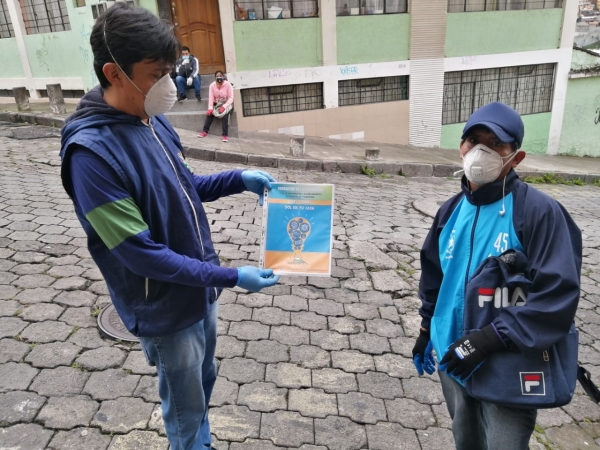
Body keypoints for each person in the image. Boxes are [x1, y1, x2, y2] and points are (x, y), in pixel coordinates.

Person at [59, 5, 280, 450]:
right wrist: (232, 276)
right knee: (183, 404)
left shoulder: (151, 118)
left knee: (205, 378)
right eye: (156, 73)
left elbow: (184, 187)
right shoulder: (91, 156)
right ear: (114, 72)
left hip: (199, 288)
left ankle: (202, 440)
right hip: (163, 305)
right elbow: (141, 255)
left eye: (170, 71)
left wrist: (238, 179)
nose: (169, 84)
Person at [412, 102, 582, 450]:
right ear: (461, 147)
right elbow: (435, 277)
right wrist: (427, 329)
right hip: (452, 358)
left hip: (509, 361)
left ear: (515, 158)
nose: (481, 152)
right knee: (466, 439)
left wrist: (487, 340)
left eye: (495, 144)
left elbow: (558, 294)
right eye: (473, 140)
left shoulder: (538, 212)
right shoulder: (450, 212)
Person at [198, 70, 233, 142]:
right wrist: (210, 108)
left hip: (226, 103)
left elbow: (231, 98)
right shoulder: (212, 85)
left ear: (223, 77)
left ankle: (225, 135)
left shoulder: (228, 84)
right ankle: (205, 131)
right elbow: (211, 98)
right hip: (217, 104)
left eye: (220, 76)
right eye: (217, 76)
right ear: (215, 78)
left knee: (225, 115)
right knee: (210, 115)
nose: (219, 77)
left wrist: (224, 106)